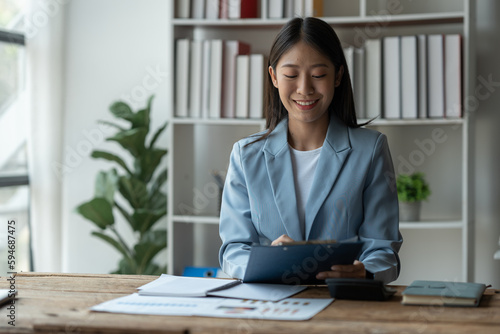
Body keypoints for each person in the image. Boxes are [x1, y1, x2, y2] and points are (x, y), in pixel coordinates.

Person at [218, 17, 402, 284]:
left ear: (338, 76)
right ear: (274, 77)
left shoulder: (370, 150)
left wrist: (365, 271)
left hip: (342, 303)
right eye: (291, 75)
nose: (304, 89)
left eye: (318, 75)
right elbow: (232, 250)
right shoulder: (246, 155)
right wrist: (267, 260)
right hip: (270, 303)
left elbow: (383, 250)